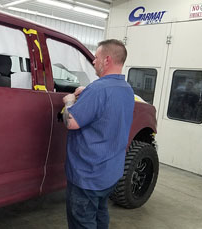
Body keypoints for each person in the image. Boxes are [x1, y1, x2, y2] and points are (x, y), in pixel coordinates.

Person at [62, 39, 134, 229]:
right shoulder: (126, 89)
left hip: (88, 175)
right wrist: (88, 93)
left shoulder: (97, 90)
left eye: (96, 58)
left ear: (107, 60)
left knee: (82, 221)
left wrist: (69, 101)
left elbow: (71, 122)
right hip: (109, 173)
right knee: (100, 214)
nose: (93, 61)